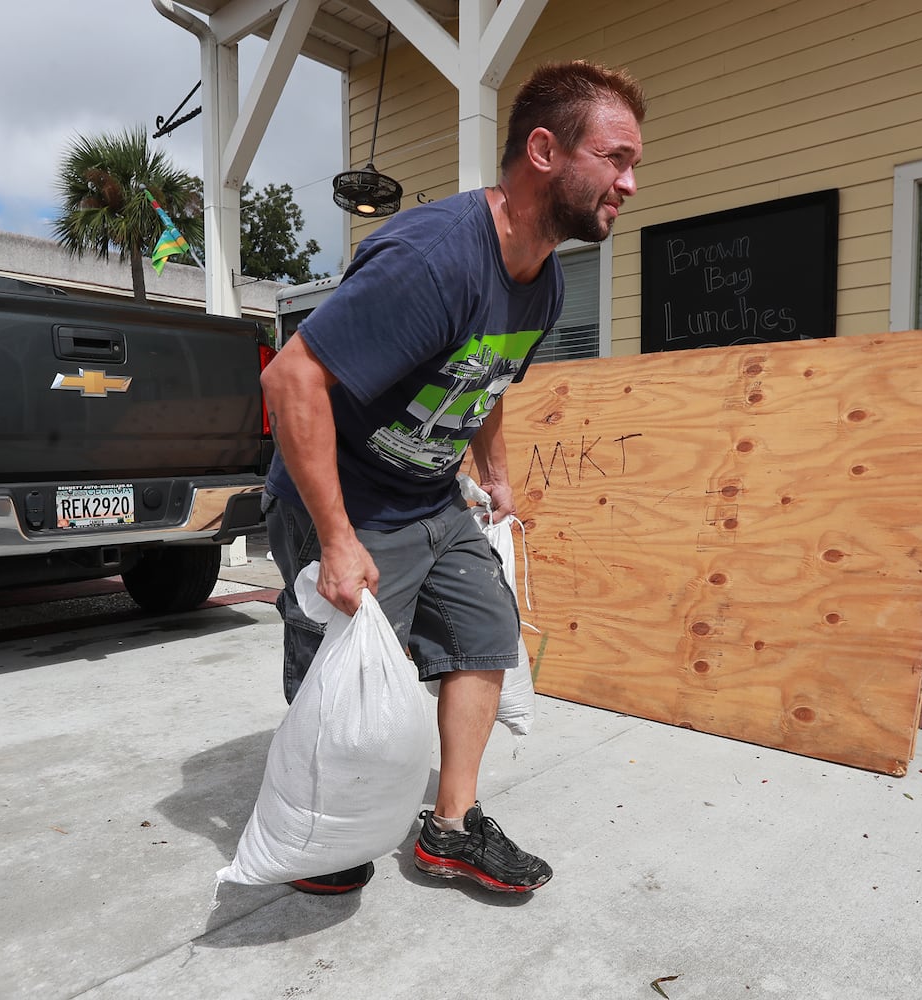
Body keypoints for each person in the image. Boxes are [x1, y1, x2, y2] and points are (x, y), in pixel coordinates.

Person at [258, 60, 646, 896]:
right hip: (348, 502)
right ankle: (320, 834)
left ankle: (450, 827)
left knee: (483, 634)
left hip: (433, 497)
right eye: (614, 159)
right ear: (544, 150)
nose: (630, 183)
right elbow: (290, 381)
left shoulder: (545, 282)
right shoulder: (436, 257)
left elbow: (487, 382)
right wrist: (334, 538)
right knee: (347, 685)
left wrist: (496, 478)